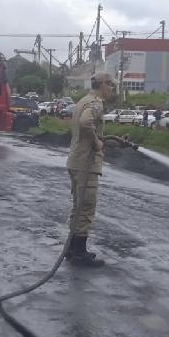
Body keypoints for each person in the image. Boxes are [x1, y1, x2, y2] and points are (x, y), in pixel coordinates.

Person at [65, 72, 116, 267]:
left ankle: (71, 249)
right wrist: (96, 142)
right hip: (86, 164)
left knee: (78, 206)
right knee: (86, 207)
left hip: (76, 161)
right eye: (109, 85)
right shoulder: (95, 103)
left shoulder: (83, 100)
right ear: (102, 84)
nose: (111, 88)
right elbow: (86, 122)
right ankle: (79, 253)